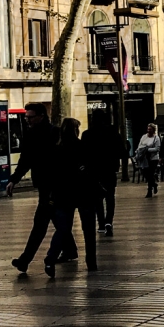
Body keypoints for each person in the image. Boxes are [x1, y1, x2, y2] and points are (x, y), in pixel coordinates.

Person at [8, 102, 78, 274]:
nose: (27, 119)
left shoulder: (55, 133)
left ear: (41, 116)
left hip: (56, 187)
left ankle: (25, 260)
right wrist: (14, 180)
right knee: (58, 223)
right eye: (26, 116)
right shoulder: (30, 134)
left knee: (40, 225)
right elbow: (25, 160)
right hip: (44, 187)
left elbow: (62, 160)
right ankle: (70, 250)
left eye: (30, 117)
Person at [43, 118, 99, 277]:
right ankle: (91, 262)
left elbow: (52, 176)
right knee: (88, 230)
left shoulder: (56, 150)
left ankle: (50, 258)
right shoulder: (83, 147)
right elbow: (92, 170)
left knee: (63, 229)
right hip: (84, 193)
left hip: (63, 195)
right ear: (76, 130)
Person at [82, 111, 127, 236]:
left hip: (93, 171)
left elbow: (83, 154)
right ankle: (109, 222)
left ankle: (101, 223)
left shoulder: (87, 134)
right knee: (110, 197)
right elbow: (122, 152)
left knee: (97, 199)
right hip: (109, 170)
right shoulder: (113, 134)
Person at [136, 123, 161, 197]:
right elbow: (140, 146)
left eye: (150, 129)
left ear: (153, 130)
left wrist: (147, 149)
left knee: (150, 173)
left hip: (153, 159)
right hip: (144, 159)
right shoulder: (144, 137)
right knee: (145, 173)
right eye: (148, 129)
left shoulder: (156, 138)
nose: (149, 131)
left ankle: (149, 191)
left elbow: (157, 149)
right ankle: (154, 184)